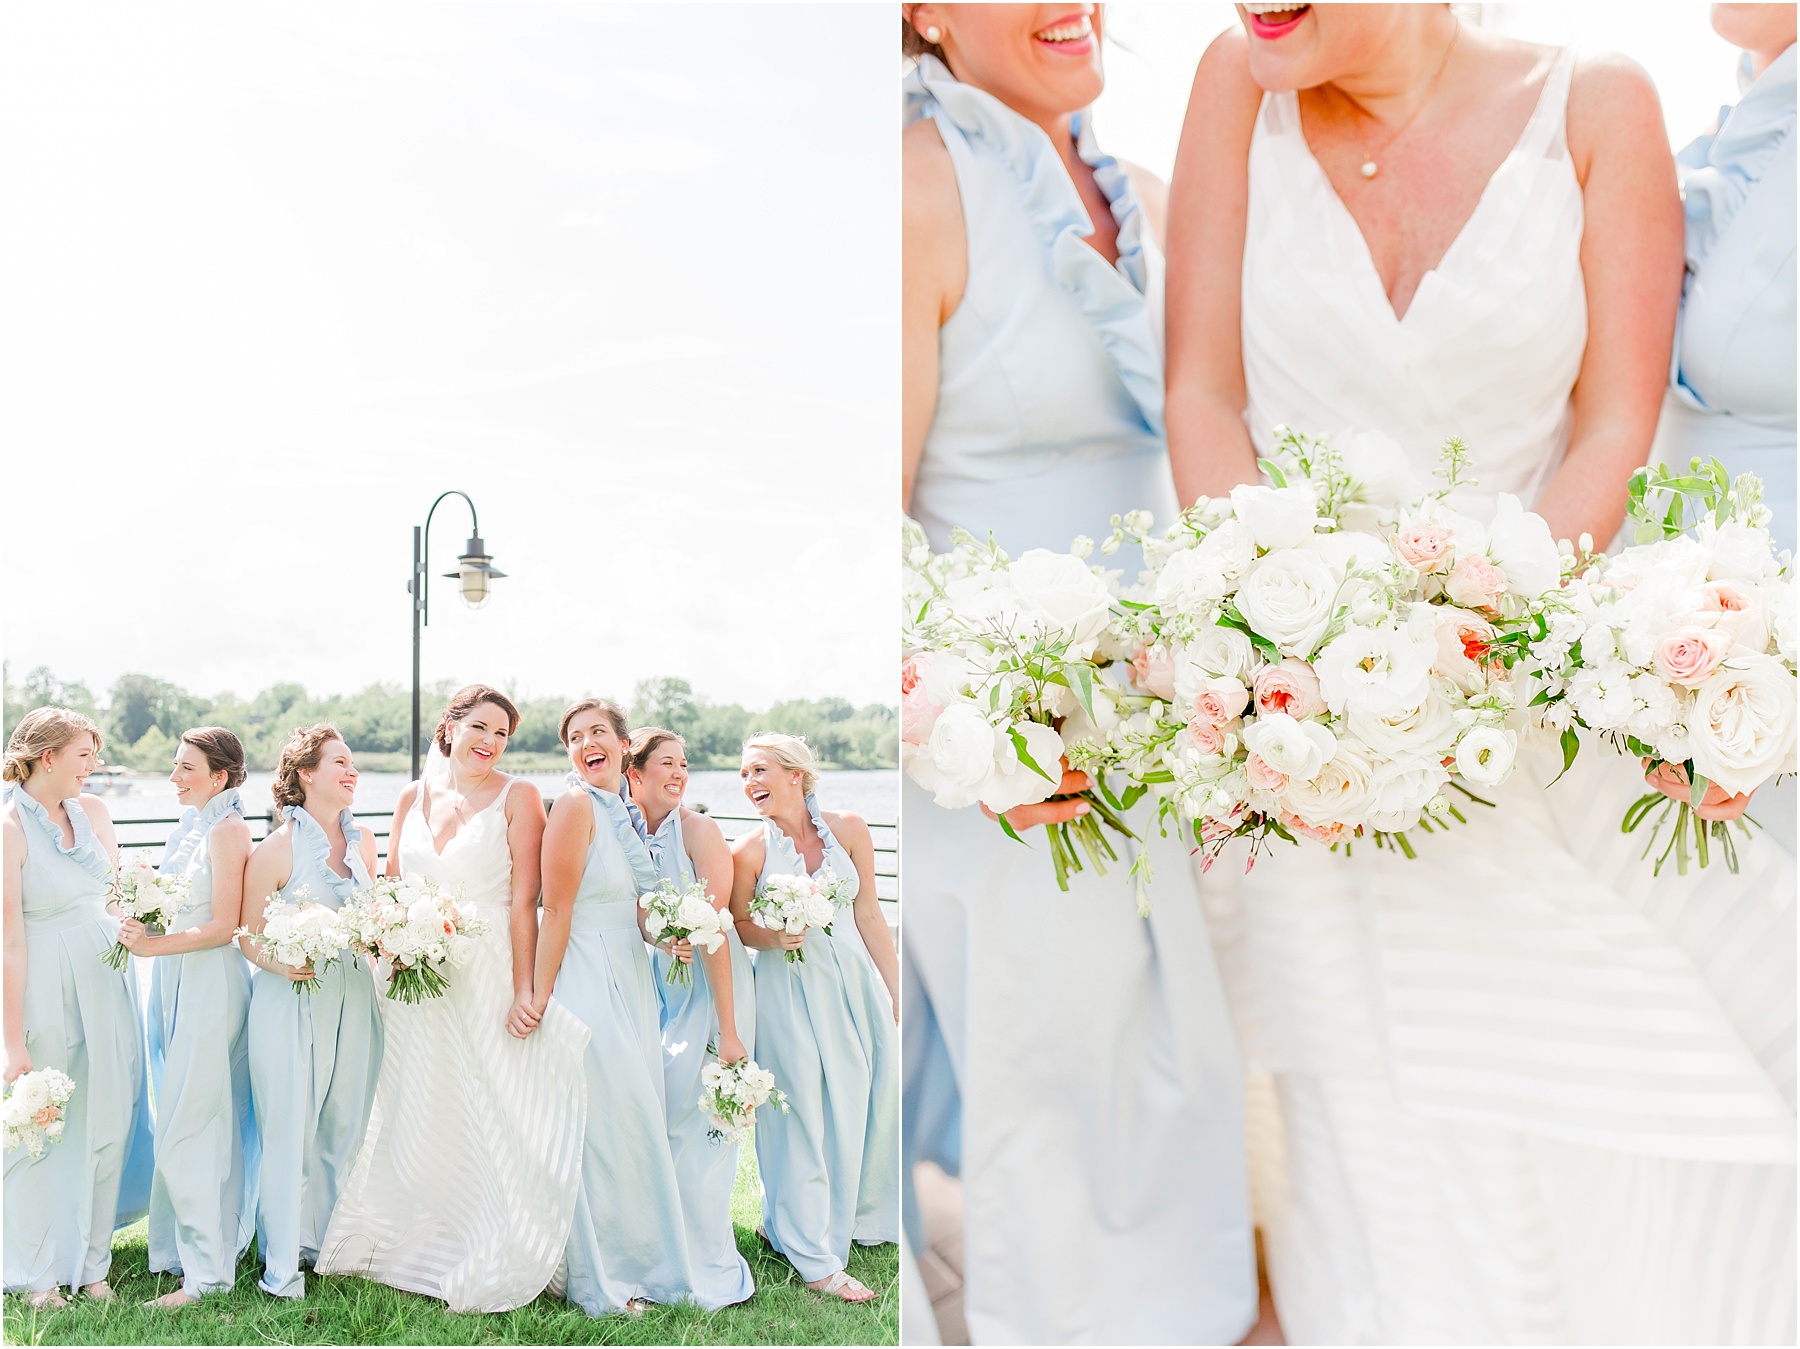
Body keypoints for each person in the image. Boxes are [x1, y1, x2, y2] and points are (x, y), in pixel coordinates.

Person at [1165, 5, 1793, 1341]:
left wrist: (1472, 647)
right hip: (1296, 731)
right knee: (1353, 1130)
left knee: (1575, 1117)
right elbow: (1202, 396)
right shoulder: (1236, 86)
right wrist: (1284, 651)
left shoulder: (1596, 103)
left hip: (1523, 699)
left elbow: (1618, 419)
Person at [900, 3, 1257, 1340]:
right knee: (1053, 1123)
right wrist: (984, 734)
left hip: (1164, 741)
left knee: (1176, 1097)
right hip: (1001, 761)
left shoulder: (1150, 193)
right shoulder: (919, 190)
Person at [315, 686, 590, 1311]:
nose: (491, 742)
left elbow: (526, 898)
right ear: (451, 726)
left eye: (502, 734)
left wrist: (525, 988)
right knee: (420, 1098)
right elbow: (389, 882)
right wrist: (388, 939)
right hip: (413, 975)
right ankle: (421, 1240)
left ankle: (507, 1235)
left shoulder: (520, 797)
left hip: (487, 963)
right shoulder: (413, 794)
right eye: (481, 727)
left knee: (498, 1101)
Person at [533, 699, 693, 1314]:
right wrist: (541, 996)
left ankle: (640, 1263)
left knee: (631, 1122)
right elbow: (559, 910)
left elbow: (636, 907)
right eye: (575, 737)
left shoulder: (617, 811)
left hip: (629, 973)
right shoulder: (574, 806)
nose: (586, 743)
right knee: (601, 1125)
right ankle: (598, 1278)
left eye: (598, 732)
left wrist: (669, 932)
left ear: (624, 746)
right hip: (585, 973)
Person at [729, 732, 898, 1304]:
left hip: (851, 987)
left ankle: (847, 1215)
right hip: (786, 992)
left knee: (858, 1101)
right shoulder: (748, 851)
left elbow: (869, 911)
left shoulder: (849, 828)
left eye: (759, 771)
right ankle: (809, 1250)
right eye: (744, 774)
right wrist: (774, 936)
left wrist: (897, 990)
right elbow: (739, 925)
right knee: (798, 1111)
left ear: (795, 774)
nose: (750, 783)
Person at [2, 707, 154, 1308]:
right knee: (43, 1124)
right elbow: (8, 940)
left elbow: (113, 895)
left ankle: (92, 1266)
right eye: (84, 755)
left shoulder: (94, 812)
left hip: (107, 974)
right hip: (42, 979)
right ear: (48, 758)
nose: (93, 766)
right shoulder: (10, 828)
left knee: (107, 1120)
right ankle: (38, 1271)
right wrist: (12, 1038)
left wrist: (137, 916)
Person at [240, 723, 383, 1300]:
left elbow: (372, 921)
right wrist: (283, 964)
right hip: (292, 998)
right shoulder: (275, 849)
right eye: (339, 763)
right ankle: (280, 1266)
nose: (352, 772)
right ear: (305, 775)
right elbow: (246, 935)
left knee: (343, 1125)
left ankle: (322, 1244)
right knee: (290, 1128)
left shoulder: (366, 842)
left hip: (355, 996)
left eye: (353, 764)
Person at [120, 727, 257, 1307]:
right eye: (175, 767)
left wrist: (152, 948)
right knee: (179, 1110)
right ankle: (183, 1253)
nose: (173, 779)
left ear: (219, 776)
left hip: (208, 983)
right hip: (175, 982)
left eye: (186, 769)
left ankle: (207, 1275)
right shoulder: (191, 827)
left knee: (194, 1123)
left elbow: (226, 926)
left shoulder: (228, 831)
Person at [627, 727, 756, 1309]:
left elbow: (720, 930)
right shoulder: (617, 827)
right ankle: (647, 1243)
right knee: (651, 1115)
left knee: (696, 1119)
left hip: (709, 991)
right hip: (644, 988)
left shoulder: (699, 830)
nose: (679, 774)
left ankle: (699, 1250)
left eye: (685, 765)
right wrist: (660, 938)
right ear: (635, 772)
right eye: (667, 764)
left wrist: (729, 1032)